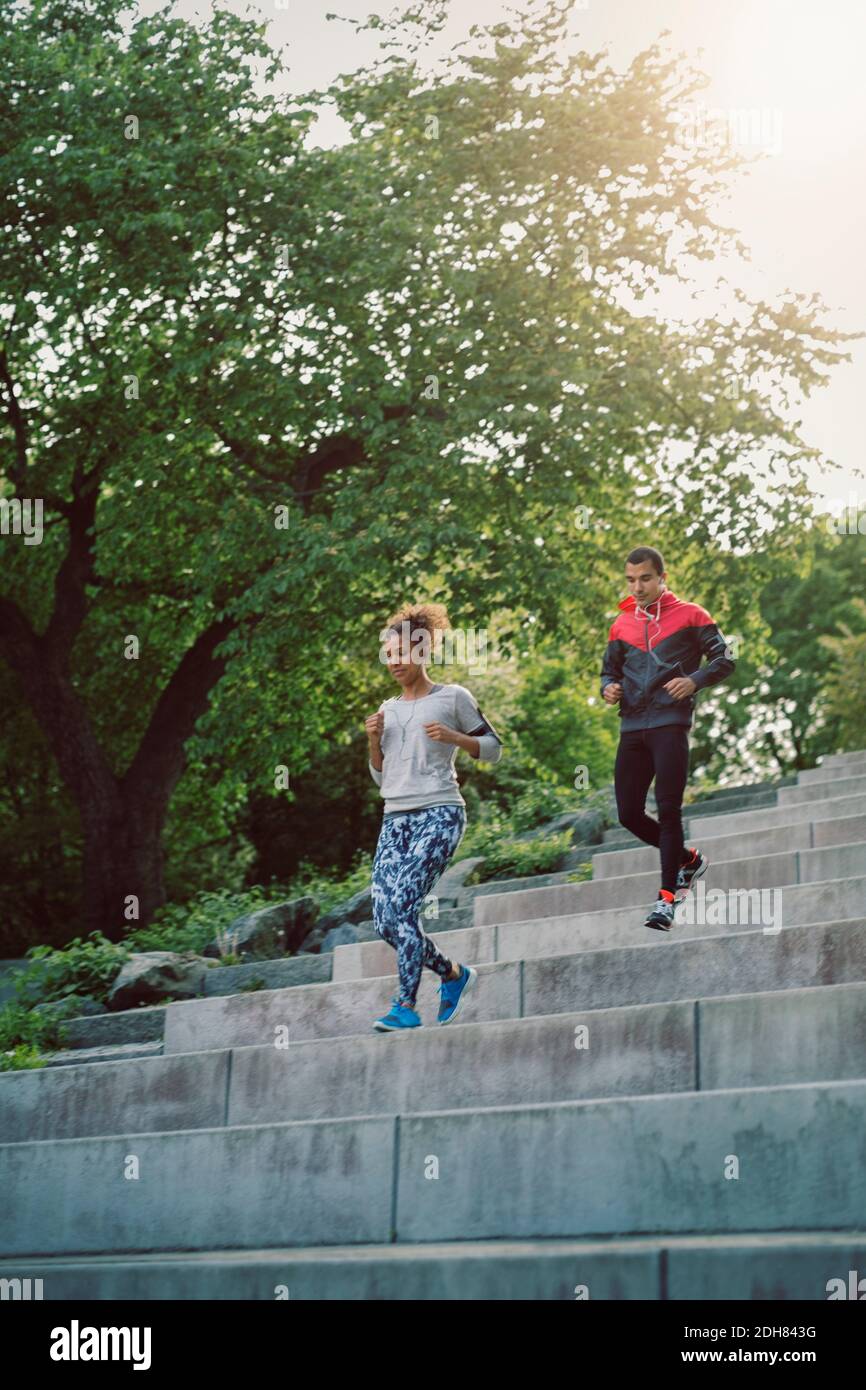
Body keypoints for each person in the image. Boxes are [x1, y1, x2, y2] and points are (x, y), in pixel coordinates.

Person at [364, 602, 503, 1030]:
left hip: (440, 813)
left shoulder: (453, 698)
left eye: (401, 653)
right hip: (395, 819)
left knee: (402, 906)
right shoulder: (387, 709)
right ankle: (453, 975)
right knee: (384, 919)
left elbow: (493, 748)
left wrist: (455, 737)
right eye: (388, 655)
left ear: (422, 652)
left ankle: (405, 1005)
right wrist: (372, 742)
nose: (394, 662)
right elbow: (379, 776)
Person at [600, 546, 736, 930]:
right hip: (632, 726)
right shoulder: (621, 623)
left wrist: (694, 680)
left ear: (662, 577)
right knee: (628, 813)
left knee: (669, 807)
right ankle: (688, 860)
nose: (637, 587)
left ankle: (667, 901)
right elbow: (608, 672)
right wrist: (608, 688)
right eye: (630, 580)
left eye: (645, 578)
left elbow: (725, 659)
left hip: (670, 723)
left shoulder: (692, 615)